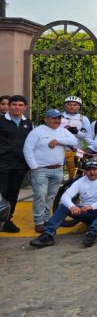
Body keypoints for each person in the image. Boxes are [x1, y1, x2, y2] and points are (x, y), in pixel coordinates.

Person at [29, 157, 97, 248]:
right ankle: (48, 235)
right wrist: (72, 206)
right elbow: (65, 196)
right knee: (64, 205)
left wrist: (92, 206)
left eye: (94, 169)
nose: (92, 172)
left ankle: (92, 234)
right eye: (88, 169)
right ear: (85, 171)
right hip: (84, 212)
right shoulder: (80, 181)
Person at [23, 108, 79, 233]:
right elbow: (27, 149)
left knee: (51, 197)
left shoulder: (62, 131)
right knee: (40, 196)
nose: (57, 120)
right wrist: (34, 166)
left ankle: (47, 219)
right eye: (53, 118)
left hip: (58, 169)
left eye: (59, 118)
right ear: (46, 119)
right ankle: (39, 222)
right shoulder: (37, 131)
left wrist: (58, 141)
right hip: (40, 170)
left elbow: (74, 141)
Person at [0, 95, 33, 233]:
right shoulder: (1, 121)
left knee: (13, 194)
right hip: (2, 163)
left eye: (20, 105)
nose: (17, 107)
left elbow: (32, 143)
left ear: (24, 107)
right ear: (9, 106)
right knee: (1, 193)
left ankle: (7, 220)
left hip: (20, 165)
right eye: (14, 104)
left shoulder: (28, 123)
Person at [61, 95, 91, 180]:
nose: (72, 106)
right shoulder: (59, 116)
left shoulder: (83, 119)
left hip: (76, 150)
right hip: (60, 149)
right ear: (65, 105)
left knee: (76, 175)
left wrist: (77, 132)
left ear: (79, 107)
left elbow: (88, 136)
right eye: (69, 104)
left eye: (75, 105)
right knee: (57, 175)